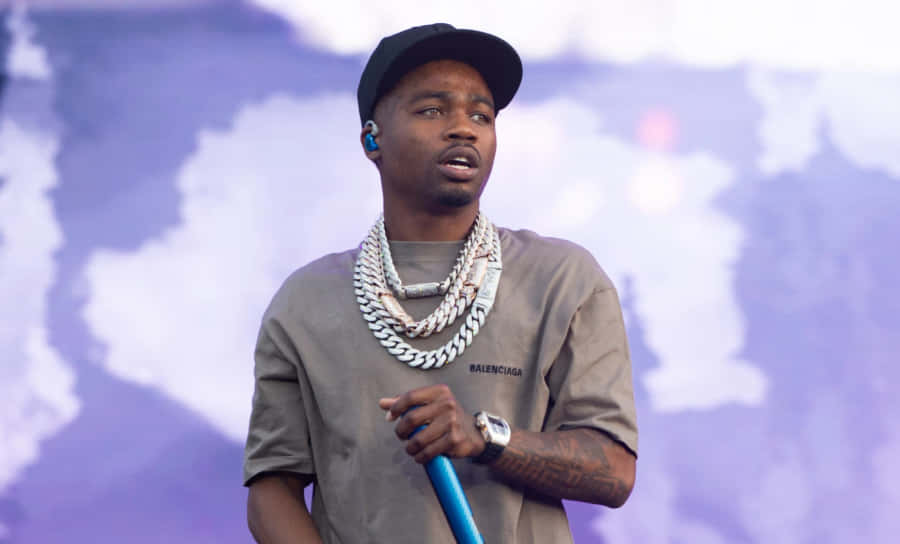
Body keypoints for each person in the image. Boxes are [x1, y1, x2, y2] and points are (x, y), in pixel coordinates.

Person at [243, 23, 638, 544]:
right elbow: (273, 486)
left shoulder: (563, 280)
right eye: (433, 110)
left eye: (482, 114)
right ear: (371, 138)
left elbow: (614, 470)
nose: (464, 128)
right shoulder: (306, 301)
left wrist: (486, 438)